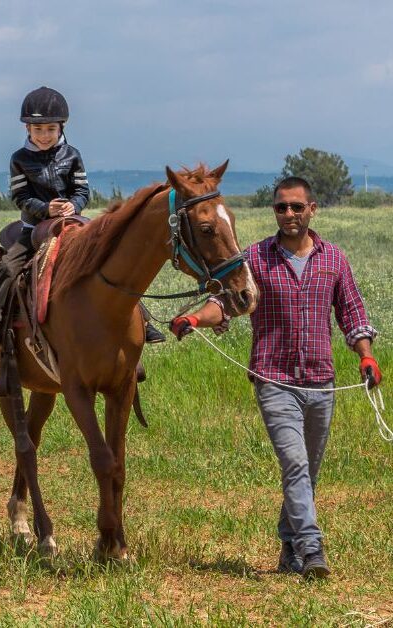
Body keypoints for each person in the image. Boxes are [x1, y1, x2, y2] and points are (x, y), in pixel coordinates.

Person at [170, 176, 381, 579]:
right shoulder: (256, 258)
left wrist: (366, 358)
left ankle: (288, 548)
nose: (288, 214)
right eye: (281, 207)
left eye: (296, 207)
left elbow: (352, 313)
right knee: (295, 464)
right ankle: (312, 551)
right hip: (274, 379)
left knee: (308, 472)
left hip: (322, 382)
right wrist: (195, 317)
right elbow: (227, 304)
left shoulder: (333, 259)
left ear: (312, 209)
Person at [0, 86, 164, 361]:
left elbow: (82, 190)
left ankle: (143, 319)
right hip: (33, 228)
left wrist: (74, 205)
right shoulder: (19, 159)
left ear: (61, 127)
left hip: (72, 221)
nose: (45, 136)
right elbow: (20, 196)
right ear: (28, 129)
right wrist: (45, 208)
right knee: (7, 267)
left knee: (112, 257)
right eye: (38, 130)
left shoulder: (72, 155)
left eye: (50, 129)